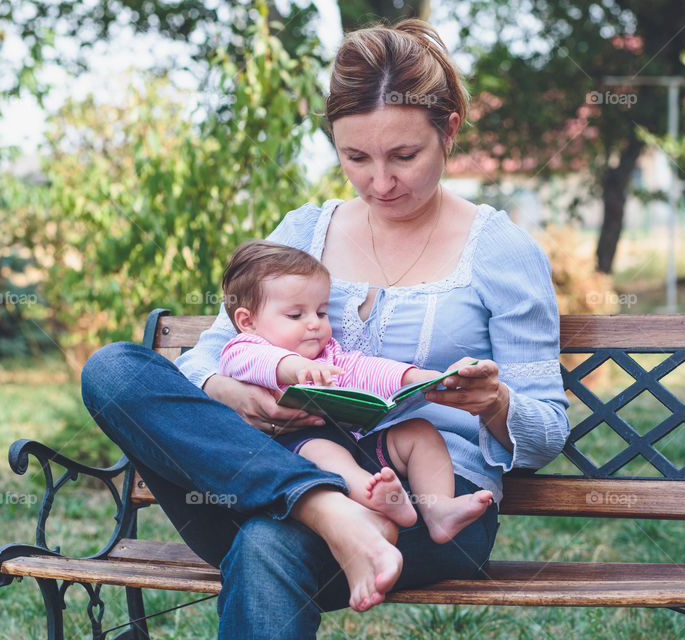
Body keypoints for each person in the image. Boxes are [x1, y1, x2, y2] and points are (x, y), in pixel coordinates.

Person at [81, 17, 569, 639]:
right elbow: (206, 360)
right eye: (356, 158)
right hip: (263, 472)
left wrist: (496, 403)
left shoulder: (500, 250)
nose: (380, 182)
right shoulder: (306, 229)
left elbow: (547, 428)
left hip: (423, 510)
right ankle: (327, 509)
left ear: (448, 130)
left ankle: (321, 512)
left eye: (404, 156)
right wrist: (235, 394)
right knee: (113, 369)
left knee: (266, 544)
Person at [217, 240, 495, 589]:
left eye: (320, 312)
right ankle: (373, 501)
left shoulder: (328, 354)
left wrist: (424, 380)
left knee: (419, 433)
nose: (314, 324)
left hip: (354, 443)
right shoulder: (243, 348)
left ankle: (439, 509)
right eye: (295, 315)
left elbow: (369, 370)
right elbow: (256, 363)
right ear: (248, 321)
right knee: (325, 451)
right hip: (293, 454)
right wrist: (295, 368)